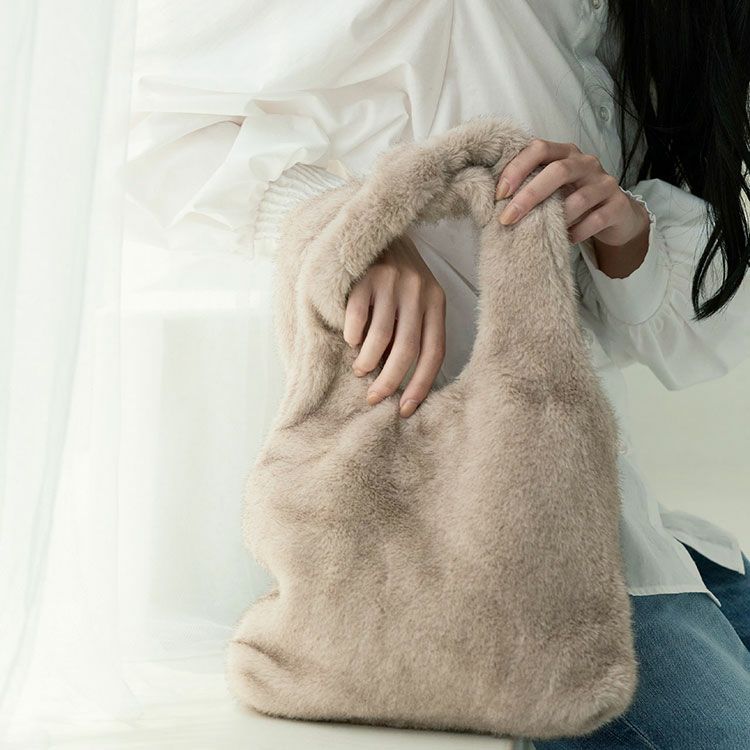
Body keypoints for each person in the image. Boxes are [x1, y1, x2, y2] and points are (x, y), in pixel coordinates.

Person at [128, 0, 750, 746]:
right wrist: (356, 228)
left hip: (592, 517)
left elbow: (692, 344)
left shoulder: (651, 23)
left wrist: (625, 233)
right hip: (470, 568)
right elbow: (143, 122)